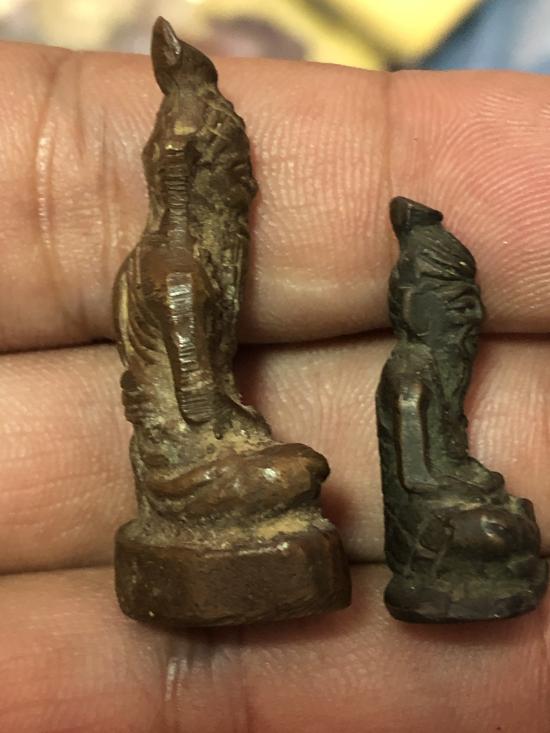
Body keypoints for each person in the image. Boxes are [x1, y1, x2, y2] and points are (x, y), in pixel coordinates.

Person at [0, 40, 548, 732]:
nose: (248, 191)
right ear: (199, 180)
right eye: (236, 174)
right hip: (184, 472)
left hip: (186, 457)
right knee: (300, 471)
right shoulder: (178, 273)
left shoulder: (172, 261)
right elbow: (201, 403)